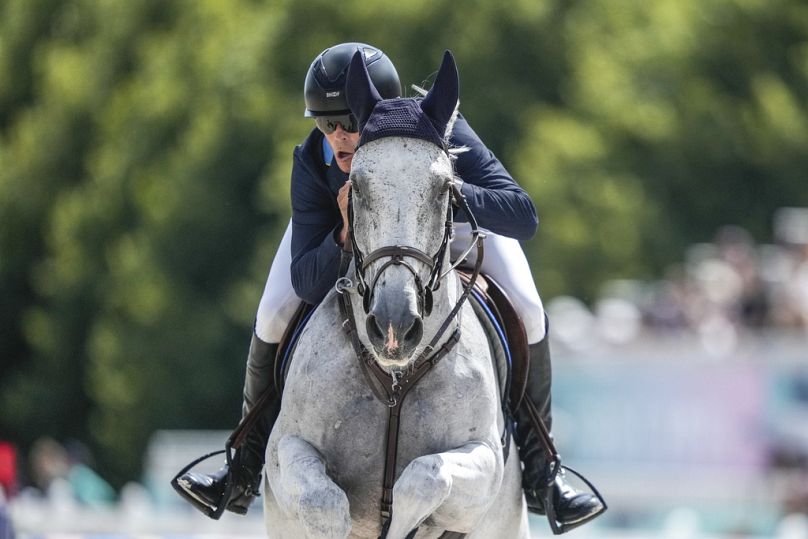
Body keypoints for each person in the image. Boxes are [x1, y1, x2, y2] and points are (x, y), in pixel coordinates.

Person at [176, 42, 604, 528]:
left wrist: (447, 190)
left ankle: (543, 472)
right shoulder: (314, 162)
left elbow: (522, 215)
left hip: (448, 223)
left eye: (347, 123)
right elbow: (309, 281)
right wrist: (342, 232)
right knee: (273, 312)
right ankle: (244, 463)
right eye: (324, 123)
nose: (336, 136)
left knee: (527, 307)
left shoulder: (448, 130)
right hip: (355, 235)